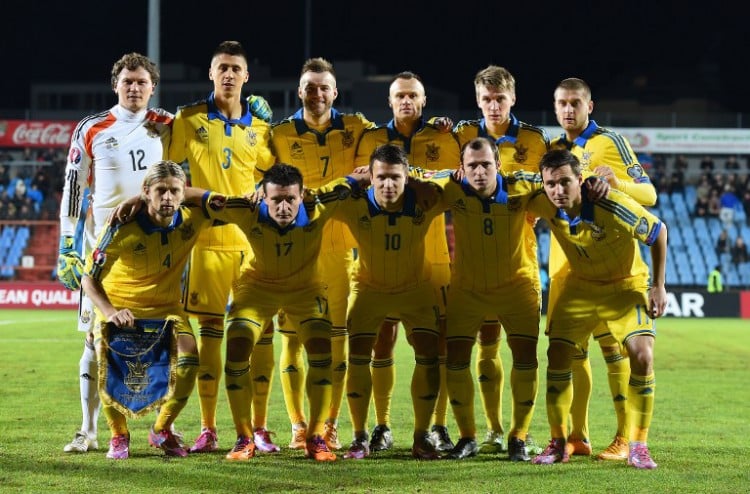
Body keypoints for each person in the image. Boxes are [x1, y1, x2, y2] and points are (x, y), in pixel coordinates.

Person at [57, 52, 173, 453]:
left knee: (167, 338)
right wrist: (67, 244)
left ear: (152, 87)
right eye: (128, 82)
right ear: (115, 85)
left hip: (157, 248)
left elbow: (211, 130)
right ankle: (88, 430)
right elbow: (74, 187)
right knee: (94, 339)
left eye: (142, 82)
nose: (135, 88)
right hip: (105, 249)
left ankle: (162, 428)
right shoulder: (91, 128)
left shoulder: (166, 125)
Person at [168, 40, 276, 454]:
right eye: (222, 68)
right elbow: (169, 176)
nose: (228, 74)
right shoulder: (190, 119)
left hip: (253, 246)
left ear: (246, 77)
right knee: (211, 337)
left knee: (261, 336)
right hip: (208, 243)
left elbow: (278, 178)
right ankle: (209, 428)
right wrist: (205, 195)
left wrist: (263, 190)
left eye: (236, 68)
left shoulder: (263, 129)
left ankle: (261, 429)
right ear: (211, 74)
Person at [529, 149, 667, 469]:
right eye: (551, 184)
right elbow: (508, 182)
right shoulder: (542, 201)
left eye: (565, 182)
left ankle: (638, 445)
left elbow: (658, 232)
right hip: (580, 288)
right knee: (558, 355)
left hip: (626, 286)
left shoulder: (609, 203)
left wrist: (659, 286)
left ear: (581, 180)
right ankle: (558, 441)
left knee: (643, 356)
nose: (558, 190)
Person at [266, 57, 375, 451]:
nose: (316, 94)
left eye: (323, 87)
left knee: (336, 340)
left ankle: (328, 424)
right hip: (292, 249)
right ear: (299, 92)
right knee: (292, 341)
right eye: (309, 87)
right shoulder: (278, 134)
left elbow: (396, 142)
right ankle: (298, 424)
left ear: (335, 92)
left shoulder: (357, 127)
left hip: (340, 247)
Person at [81, 160, 222, 459]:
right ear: (147, 192)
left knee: (189, 358)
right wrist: (110, 311)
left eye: (175, 191)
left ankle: (161, 429)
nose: (168, 198)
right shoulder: (121, 225)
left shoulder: (191, 219)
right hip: (121, 306)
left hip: (168, 307)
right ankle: (118, 435)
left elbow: (221, 201)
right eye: (161, 191)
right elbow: (89, 279)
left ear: (184, 194)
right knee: (106, 357)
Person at [548, 77, 657, 461]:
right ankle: (578, 436)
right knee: (571, 356)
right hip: (566, 267)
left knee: (615, 354)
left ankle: (626, 438)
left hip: (608, 266)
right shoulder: (555, 149)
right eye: (562, 103)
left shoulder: (609, 142)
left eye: (575, 103)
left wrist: (617, 183)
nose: (568, 110)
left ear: (589, 106)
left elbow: (650, 194)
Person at [353, 71, 460, 453]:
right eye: (399, 96)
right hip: (382, 252)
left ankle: (439, 426)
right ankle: (381, 425)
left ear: (424, 99)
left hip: (435, 256)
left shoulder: (444, 137)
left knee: (438, 347)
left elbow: (457, 179)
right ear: (389, 101)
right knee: (382, 341)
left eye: (413, 95)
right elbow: (357, 180)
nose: (406, 102)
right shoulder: (370, 139)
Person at [453, 65, 549, 455]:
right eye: (487, 99)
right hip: (473, 262)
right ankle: (488, 429)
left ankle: (518, 436)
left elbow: (551, 183)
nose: (493, 106)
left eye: (500, 99)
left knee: (523, 352)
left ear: (513, 99)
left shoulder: (534, 138)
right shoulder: (460, 133)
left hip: (518, 256)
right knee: (483, 344)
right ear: (478, 100)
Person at [429, 137, 545, 461]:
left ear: (499, 164)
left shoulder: (521, 189)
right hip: (468, 289)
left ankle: (518, 437)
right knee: (456, 359)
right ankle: (467, 437)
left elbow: (557, 192)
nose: (479, 172)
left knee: (525, 358)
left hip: (516, 288)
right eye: (472, 166)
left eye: (486, 165)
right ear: (461, 169)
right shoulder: (453, 191)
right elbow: (417, 176)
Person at [340, 144, 446, 460]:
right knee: (358, 355)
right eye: (381, 177)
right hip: (369, 288)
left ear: (407, 178)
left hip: (416, 289)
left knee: (429, 354)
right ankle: (360, 437)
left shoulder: (425, 201)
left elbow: (459, 183)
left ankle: (421, 435)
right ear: (370, 178)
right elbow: (311, 197)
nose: (388, 185)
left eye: (396, 178)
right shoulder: (352, 204)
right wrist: (348, 180)